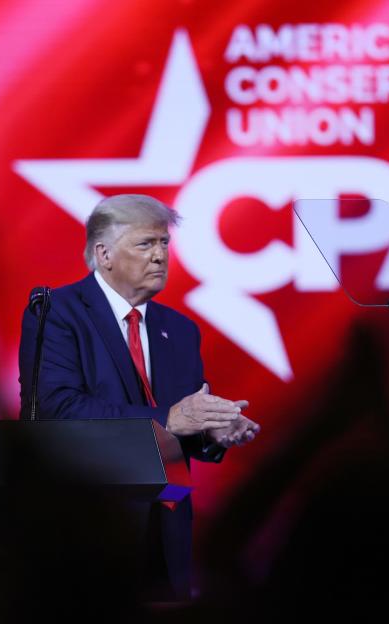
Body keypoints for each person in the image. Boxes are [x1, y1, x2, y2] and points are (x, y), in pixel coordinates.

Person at [17, 193, 260, 598]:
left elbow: (182, 423)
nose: (160, 256)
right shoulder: (56, 312)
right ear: (104, 254)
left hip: (166, 529)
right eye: (145, 244)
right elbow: (56, 410)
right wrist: (171, 418)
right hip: (88, 525)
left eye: (163, 243)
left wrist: (213, 430)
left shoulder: (181, 330)